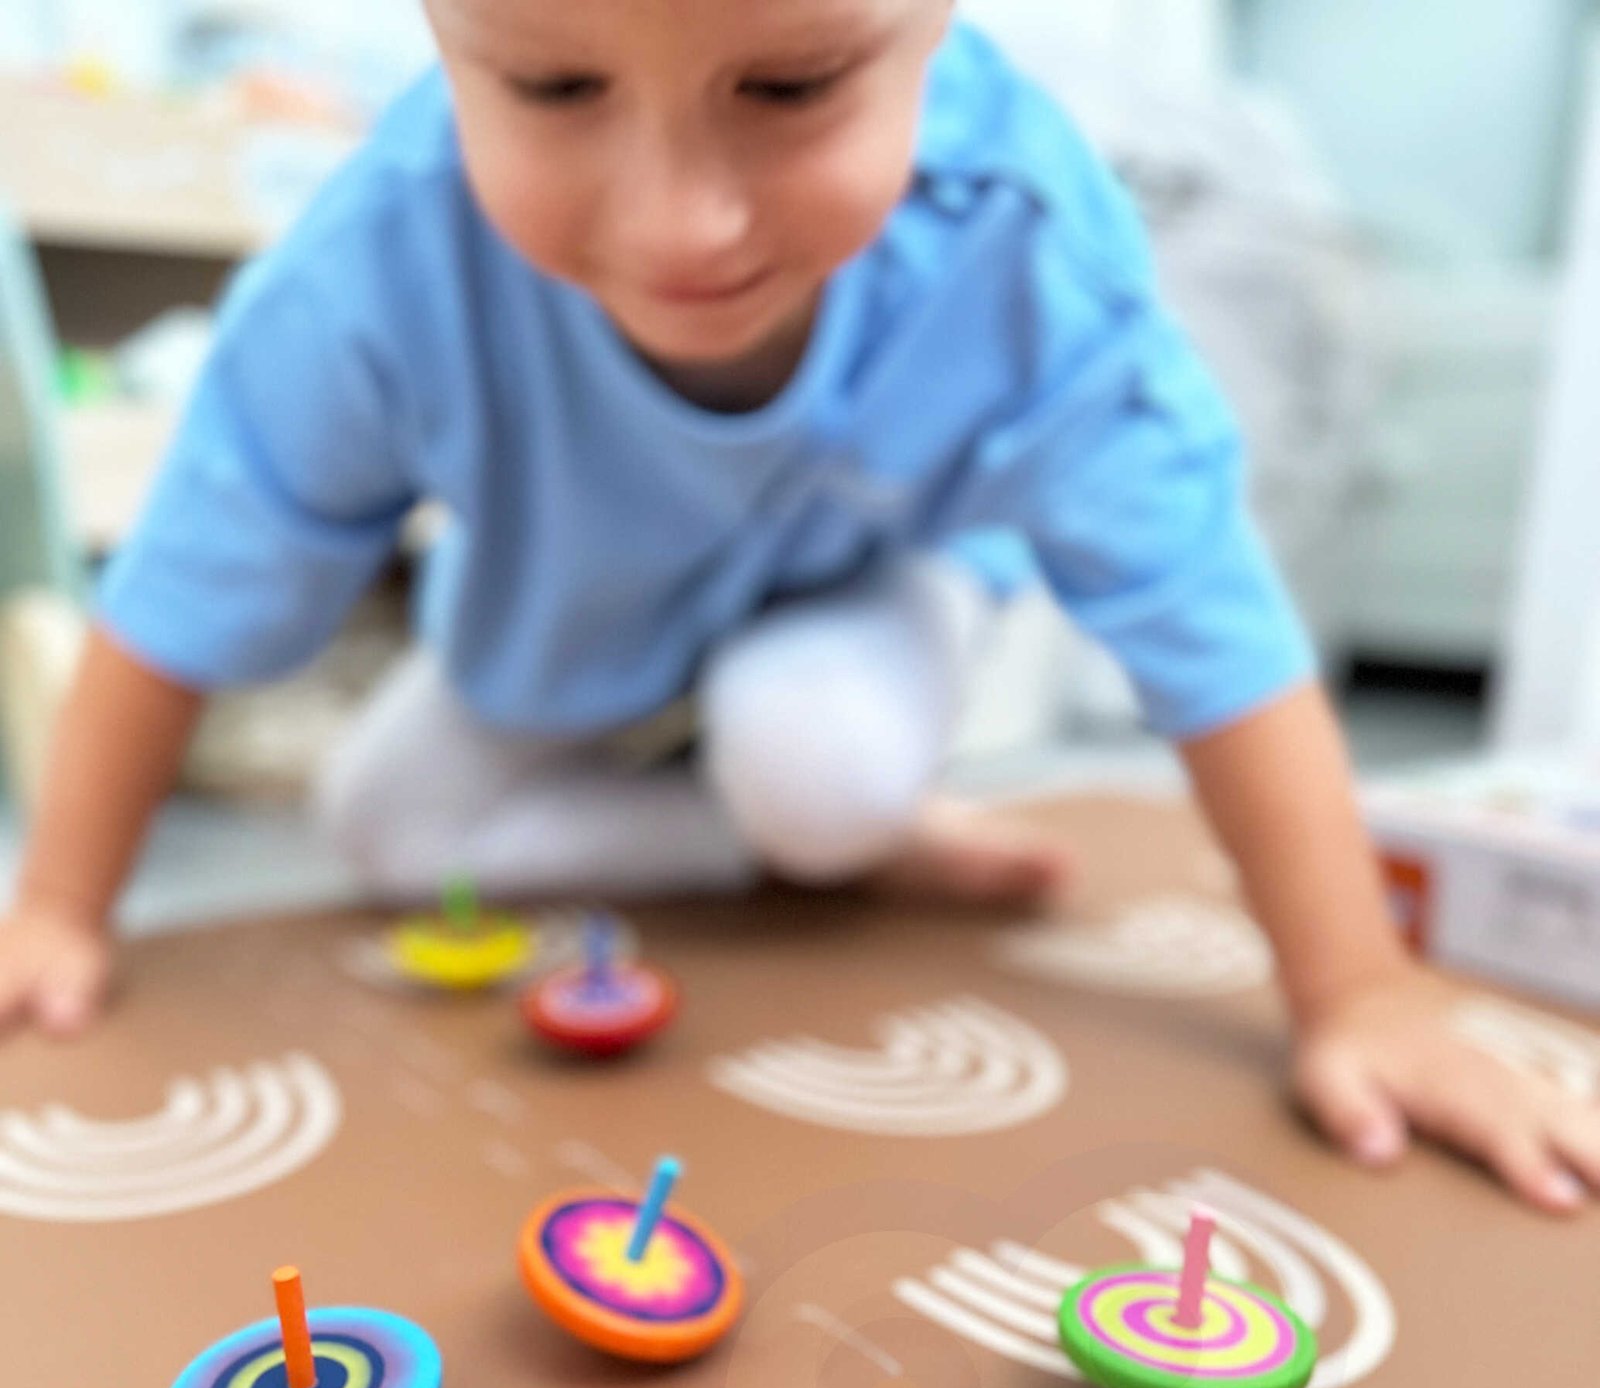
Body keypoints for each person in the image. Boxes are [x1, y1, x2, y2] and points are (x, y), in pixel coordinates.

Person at [2, 0, 1595, 1214]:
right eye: (554, 88)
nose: (682, 226)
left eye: (791, 86)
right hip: (555, 632)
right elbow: (183, 588)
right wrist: (62, 906)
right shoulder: (376, 259)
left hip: (858, 604)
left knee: (814, 766)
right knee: (385, 826)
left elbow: (1206, 612)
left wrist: (1359, 989)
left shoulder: (1023, 232)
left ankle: (836, 827)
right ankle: (804, 839)